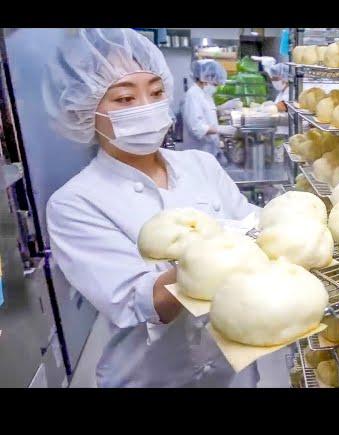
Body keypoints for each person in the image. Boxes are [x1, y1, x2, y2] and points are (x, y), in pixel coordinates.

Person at [42, 28, 260, 388]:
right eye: (125, 99)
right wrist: (220, 254)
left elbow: (251, 224)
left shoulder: (199, 165)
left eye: (156, 93)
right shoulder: (74, 202)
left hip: (233, 374)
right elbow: (140, 302)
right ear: (83, 108)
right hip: (149, 377)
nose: (147, 108)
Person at [181, 59, 241, 163]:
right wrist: (221, 129)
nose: (216, 87)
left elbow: (207, 114)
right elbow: (197, 128)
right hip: (199, 153)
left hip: (209, 150)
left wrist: (221, 109)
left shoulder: (205, 94)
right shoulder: (193, 95)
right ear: (207, 78)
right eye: (215, 84)